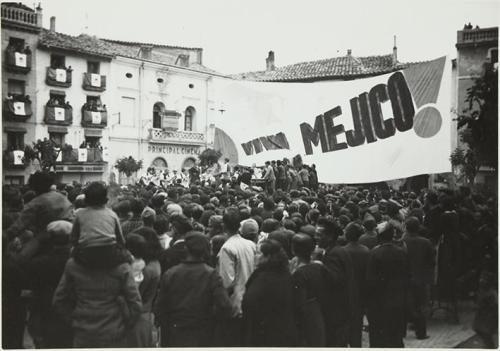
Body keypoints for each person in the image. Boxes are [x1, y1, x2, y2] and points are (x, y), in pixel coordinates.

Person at [53, 248, 143, 347]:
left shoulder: (73, 265)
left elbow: (59, 300)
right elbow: (136, 304)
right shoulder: (122, 267)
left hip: (83, 332)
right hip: (114, 332)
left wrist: (73, 321)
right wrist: (125, 325)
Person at [155, 232, 232, 346]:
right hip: (203, 332)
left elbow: (160, 307)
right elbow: (225, 305)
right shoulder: (211, 275)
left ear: (186, 249)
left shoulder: (171, 274)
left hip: (175, 331)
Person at [242, 239, 297, 347]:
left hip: (263, 331)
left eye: (258, 253)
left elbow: (249, 303)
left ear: (268, 257)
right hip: (283, 328)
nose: (255, 256)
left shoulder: (262, 277)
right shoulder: (286, 273)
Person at [216, 208, 257, 346]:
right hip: (252, 299)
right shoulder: (251, 244)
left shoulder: (227, 248)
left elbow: (227, 282)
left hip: (236, 304)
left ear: (223, 226)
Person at [366, 222, 409, 347]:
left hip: (379, 302)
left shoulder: (375, 253)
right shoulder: (401, 252)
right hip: (397, 300)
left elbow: (370, 280)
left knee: (378, 336)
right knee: (395, 336)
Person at [315, 216, 355, 347]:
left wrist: (318, 265)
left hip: (336, 314)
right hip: (340, 312)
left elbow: (335, 280)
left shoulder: (334, 254)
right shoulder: (336, 251)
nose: (316, 237)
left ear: (330, 236)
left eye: (319, 235)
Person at [71, 182, 128, 269]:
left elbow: (73, 239)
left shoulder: (79, 214)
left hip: (86, 254)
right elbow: (120, 240)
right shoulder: (112, 214)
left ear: (86, 198)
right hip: (109, 254)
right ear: (105, 198)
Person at [290, 233, 331, 346]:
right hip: (319, 311)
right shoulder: (320, 266)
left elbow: (299, 302)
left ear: (293, 250)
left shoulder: (298, 273)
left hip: (306, 315)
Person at [126, 230, 162, 347]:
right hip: (145, 314)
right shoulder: (153, 263)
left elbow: (135, 293)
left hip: (138, 316)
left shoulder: (146, 269)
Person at [402, 216, 435, 340]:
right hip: (421, 278)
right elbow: (432, 262)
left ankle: (402, 332)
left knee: (405, 304)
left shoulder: (402, 241)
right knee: (421, 306)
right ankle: (421, 333)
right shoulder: (426, 242)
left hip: (405, 278)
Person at [343, 222, 370, 347]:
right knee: (356, 328)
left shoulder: (342, 251)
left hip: (345, 293)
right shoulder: (366, 251)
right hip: (361, 293)